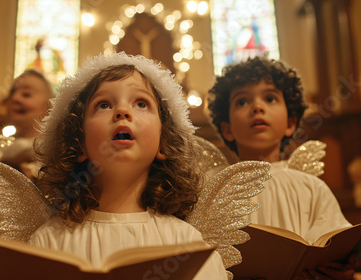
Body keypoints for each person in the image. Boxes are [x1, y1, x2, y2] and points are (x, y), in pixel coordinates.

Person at [28, 53, 227, 279]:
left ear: (164, 142)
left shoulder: (187, 245)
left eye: (141, 103)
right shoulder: (49, 242)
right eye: (103, 105)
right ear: (79, 142)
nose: (122, 112)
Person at [208, 56, 355, 279]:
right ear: (227, 129)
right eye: (242, 102)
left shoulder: (311, 186)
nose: (257, 107)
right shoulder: (214, 183)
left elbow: (332, 244)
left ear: (290, 123)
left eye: (270, 98)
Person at [0, 69, 54, 179]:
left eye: (26, 94)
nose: (15, 98)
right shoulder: (1, 147)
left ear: (49, 106)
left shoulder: (53, 149)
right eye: (12, 94)